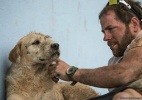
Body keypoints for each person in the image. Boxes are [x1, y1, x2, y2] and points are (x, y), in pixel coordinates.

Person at [50, 0, 142, 99]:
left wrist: (72, 72)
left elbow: (123, 73)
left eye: (110, 29)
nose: (106, 38)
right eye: (104, 32)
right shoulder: (118, 59)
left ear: (134, 24)